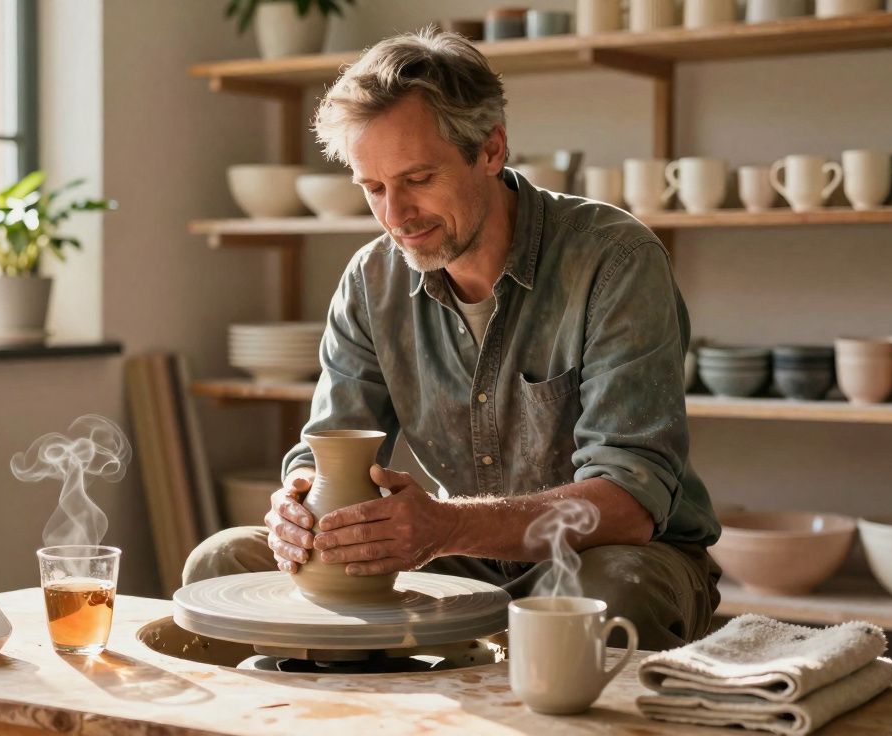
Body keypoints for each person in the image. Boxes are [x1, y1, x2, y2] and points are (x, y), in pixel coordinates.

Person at [184, 28, 721, 650]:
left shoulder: (614, 259)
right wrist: (296, 508)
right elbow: (328, 450)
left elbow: (628, 503)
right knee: (222, 563)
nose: (396, 216)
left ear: (491, 150)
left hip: (623, 554)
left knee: (609, 594)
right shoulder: (370, 280)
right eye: (373, 188)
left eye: (418, 178)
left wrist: (441, 527)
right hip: (459, 557)